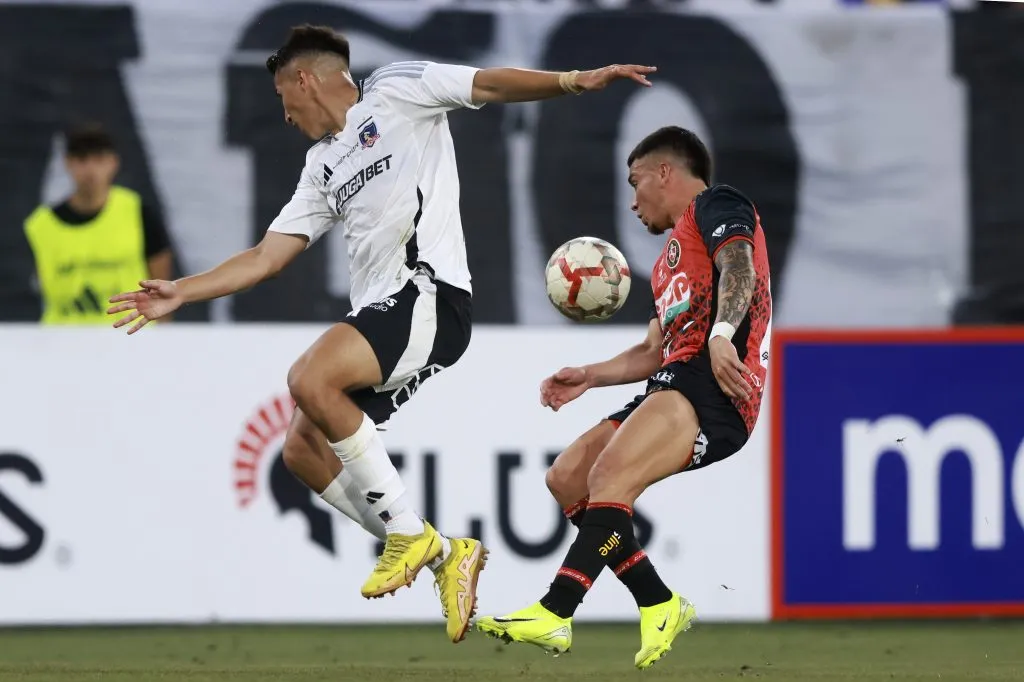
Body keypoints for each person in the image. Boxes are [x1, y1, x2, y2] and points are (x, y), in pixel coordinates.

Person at [106, 24, 656, 643]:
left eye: (282, 99)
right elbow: (265, 256)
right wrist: (183, 289)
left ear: (303, 79)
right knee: (300, 450)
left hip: (430, 295)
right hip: (390, 315)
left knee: (309, 378)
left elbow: (489, 85)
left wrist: (573, 81)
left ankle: (407, 535)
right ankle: (444, 552)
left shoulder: (395, 90)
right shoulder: (321, 167)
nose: (284, 117)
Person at [476, 126, 772, 669]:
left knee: (610, 477)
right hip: (677, 379)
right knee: (566, 477)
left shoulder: (717, 204)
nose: (632, 201)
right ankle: (659, 602)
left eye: (635, 182)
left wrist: (723, 334)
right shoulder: (665, 266)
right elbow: (651, 352)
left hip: (715, 389)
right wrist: (588, 375)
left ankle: (555, 610)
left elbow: (740, 267)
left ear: (666, 172)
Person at [24, 123, 173, 324]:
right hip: (64, 341)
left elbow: (161, 286)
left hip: (131, 339)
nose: (90, 169)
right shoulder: (39, 225)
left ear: (113, 162)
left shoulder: (138, 212)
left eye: (99, 159)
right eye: (82, 159)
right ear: (68, 163)